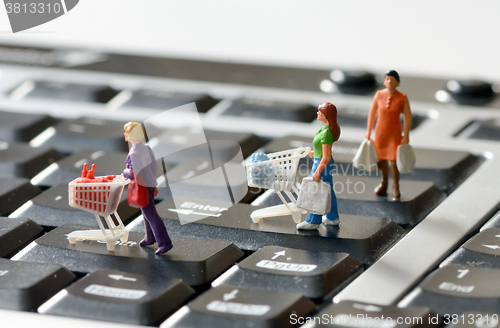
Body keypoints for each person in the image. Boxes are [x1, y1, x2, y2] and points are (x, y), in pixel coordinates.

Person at [123, 122, 172, 254]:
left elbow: (135, 173)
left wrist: (125, 172)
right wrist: (153, 183)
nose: (125, 135)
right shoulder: (147, 148)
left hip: (141, 187)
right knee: (146, 213)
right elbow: (153, 167)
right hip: (149, 184)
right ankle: (149, 238)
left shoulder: (133, 153)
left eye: (127, 132)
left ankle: (165, 243)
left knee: (151, 215)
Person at [366, 70, 412, 200]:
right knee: (381, 159)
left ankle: (396, 186)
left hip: (394, 132)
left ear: (397, 82)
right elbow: (372, 113)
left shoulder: (402, 97)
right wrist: (368, 131)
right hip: (381, 132)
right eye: (387, 79)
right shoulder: (379, 94)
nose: (389, 82)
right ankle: (384, 183)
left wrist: (406, 134)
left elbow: (408, 117)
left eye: (392, 80)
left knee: (393, 160)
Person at [297, 102, 341, 230]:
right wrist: (312, 152)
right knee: (328, 190)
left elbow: (326, 157)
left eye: (319, 111)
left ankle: (313, 221)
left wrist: (317, 172)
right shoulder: (324, 129)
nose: (317, 113)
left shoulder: (326, 133)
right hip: (319, 160)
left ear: (326, 115)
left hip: (322, 163)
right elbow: (321, 150)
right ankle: (333, 218)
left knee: (315, 191)